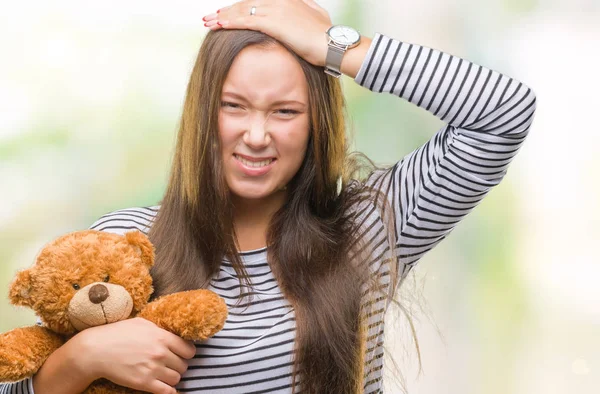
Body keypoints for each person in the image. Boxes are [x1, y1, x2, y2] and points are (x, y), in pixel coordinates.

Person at [0, 0, 537, 393]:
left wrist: (335, 47)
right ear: (202, 114)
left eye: (284, 111)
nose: (257, 135)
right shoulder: (126, 240)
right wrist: (79, 360)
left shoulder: (371, 228)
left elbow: (503, 113)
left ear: (317, 124)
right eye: (234, 106)